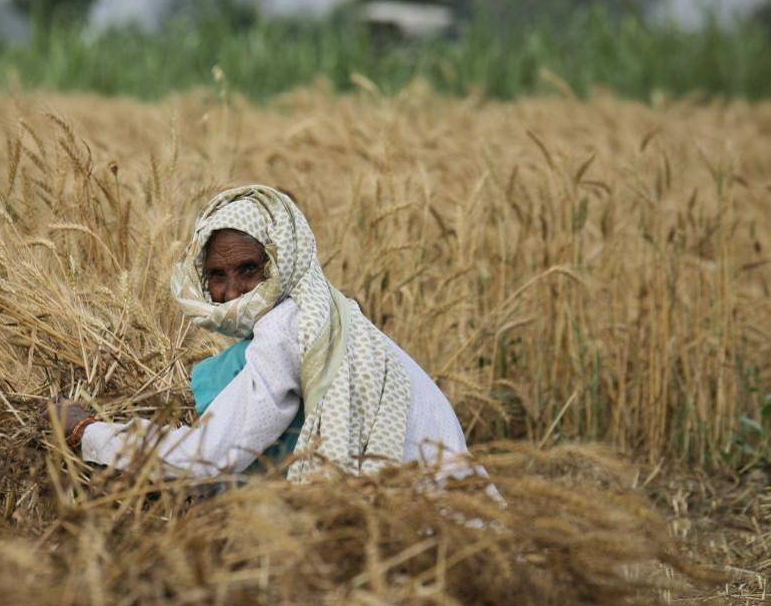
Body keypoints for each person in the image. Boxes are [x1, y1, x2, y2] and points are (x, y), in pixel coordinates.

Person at [47, 185, 492, 491]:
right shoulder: (331, 317)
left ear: (282, 261)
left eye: (249, 270)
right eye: (217, 276)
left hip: (423, 533)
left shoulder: (288, 326)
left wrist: (89, 434)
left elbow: (209, 455)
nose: (233, 291)